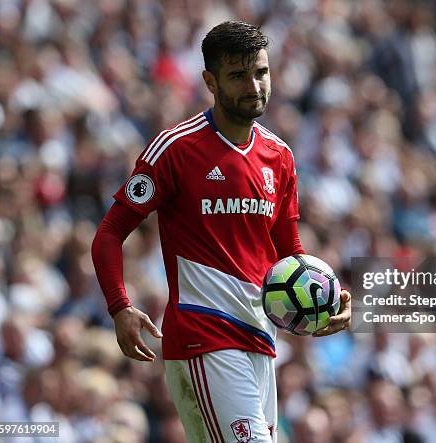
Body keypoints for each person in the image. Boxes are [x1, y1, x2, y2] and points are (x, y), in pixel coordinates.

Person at [91, 21, 352, 443]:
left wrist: (321, 302)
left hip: (261, 340)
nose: (253, 85)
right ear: (209, 81)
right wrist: (119, 307)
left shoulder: (280, 156)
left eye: (261, 73)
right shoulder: (176, 148)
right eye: (238, 75)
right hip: (204, 337)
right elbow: (109, 232)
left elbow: (290, 254)